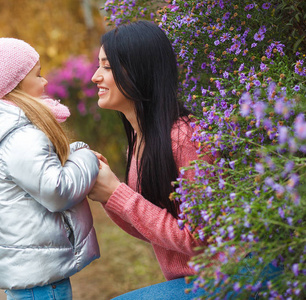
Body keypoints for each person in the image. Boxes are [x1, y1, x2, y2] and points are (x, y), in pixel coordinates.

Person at [88, 20, 283, 300]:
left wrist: (118, 194)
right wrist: (108, 195)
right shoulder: (142, 139)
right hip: (199, 278)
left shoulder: (184, 138)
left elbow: (201, 239)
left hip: (236, 273)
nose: (95, 76)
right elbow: (152, 231)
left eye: (107, 67)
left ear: (140, 71)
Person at [0, 38, 100, 300]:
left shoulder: (5, 131)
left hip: (32, 275)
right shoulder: (20, 137)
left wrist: (72, 152)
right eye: (37, 75)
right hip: (39, 281)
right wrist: (87, 157)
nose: (45, 82)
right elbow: (56, 190)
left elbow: (41, 170)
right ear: (13, 85)